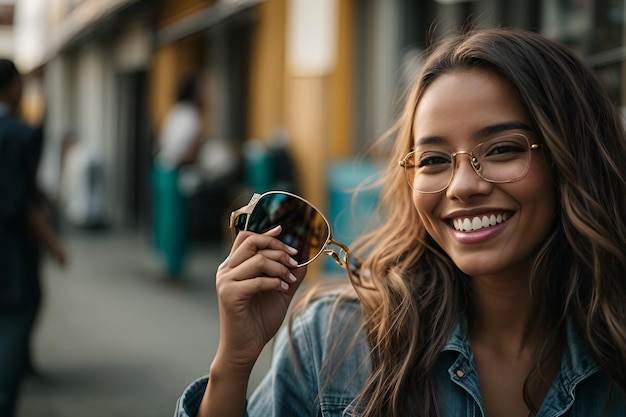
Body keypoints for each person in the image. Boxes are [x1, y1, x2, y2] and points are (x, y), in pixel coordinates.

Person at [175, 27, 626, 416]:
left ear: (572, 159)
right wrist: (233, 365)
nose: (462, 185)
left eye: (503, 148)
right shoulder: (335, 339)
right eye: (432, 159)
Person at [0, 58, 66, 417]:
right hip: (11, 249)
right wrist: (54, 245)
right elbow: (22, 201)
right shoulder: (20, 134)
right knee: (19, 311)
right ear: (12, 87)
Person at [152, 76, 203, 278]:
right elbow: (190, 150)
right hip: (174, 171)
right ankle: (174, 268)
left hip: (161, 169)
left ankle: (167, 263)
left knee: (165, 221)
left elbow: (162, 140)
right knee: (175, 223)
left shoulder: (176, 112)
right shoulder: (192, 115)